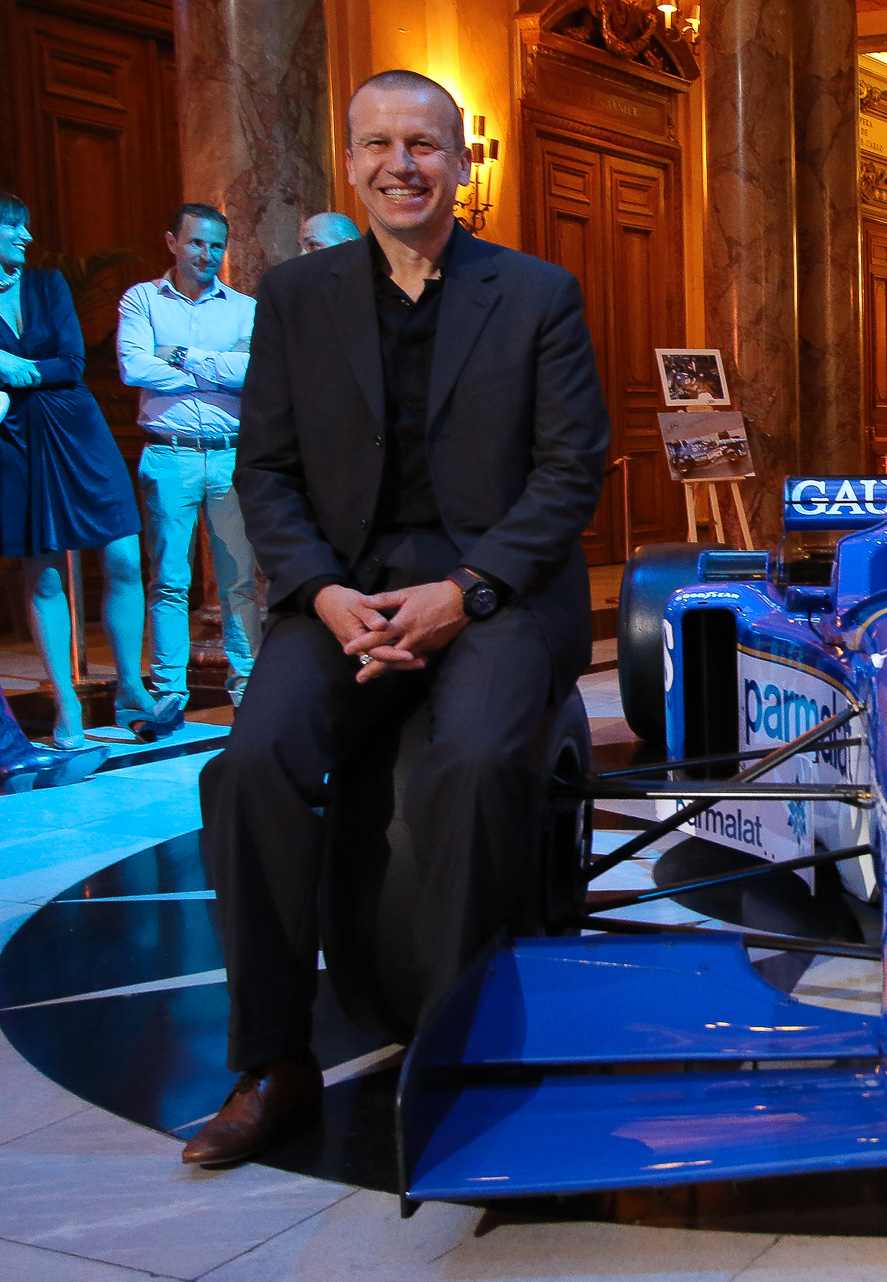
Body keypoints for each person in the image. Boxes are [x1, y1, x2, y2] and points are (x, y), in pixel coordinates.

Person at [184, 69, 609, 1166]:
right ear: (351, 160)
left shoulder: (538, 293)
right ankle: (272, 1059)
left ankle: (456, 1045)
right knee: (251, 763)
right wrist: (324, 594)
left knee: (472, 762)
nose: (399, 165)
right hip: (343, 591)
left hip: (496, 591)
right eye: (376, 144)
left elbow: (569, 473)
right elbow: (265, 471)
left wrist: (463, 594)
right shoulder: (296, 296)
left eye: (422, 144)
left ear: (461, 162)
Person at [0, 190, 178, 748]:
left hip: (77, 428)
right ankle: (66, 703)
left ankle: (131, 688)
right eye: (14, 227)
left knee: (124, 557)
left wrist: (16, 368)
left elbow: (72, 363)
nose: (27, 237)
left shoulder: (46, 284)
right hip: (16, 439)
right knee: (45, 574)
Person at [118, 204, 264, 707]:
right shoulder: (142, 299)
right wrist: (218, 372)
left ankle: (247, 691)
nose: (208, 254)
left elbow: (253, 374)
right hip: (169, 454)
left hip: (229, 457)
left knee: (239, 582)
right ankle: (169, 693)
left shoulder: (243, 308)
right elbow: (133, 367)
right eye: (197, 242)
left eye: (217, 245)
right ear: (172, 242)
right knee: (168, 582)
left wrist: (179, 356)